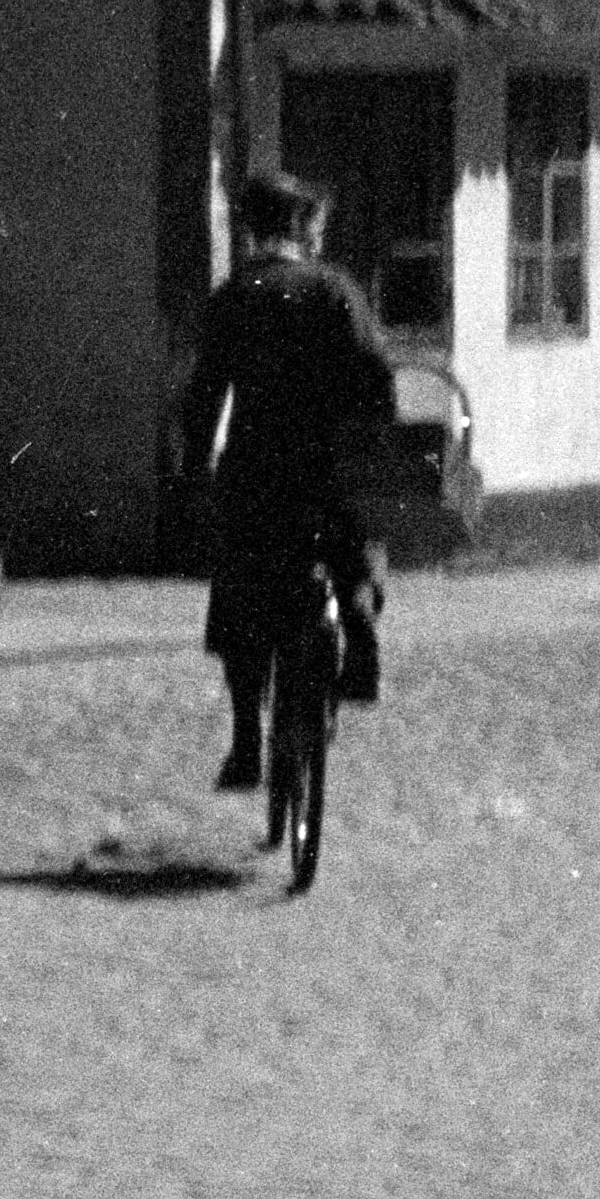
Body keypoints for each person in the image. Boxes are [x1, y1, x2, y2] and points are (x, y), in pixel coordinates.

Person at [171, 167, 398, 796]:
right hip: (329, 466)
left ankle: (248, 741)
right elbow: (377, 375)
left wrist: (195, 469)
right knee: (353, 540)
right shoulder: (336, 290)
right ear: (301, 227)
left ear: (250, 229)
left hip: (256, 469)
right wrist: (376, 439)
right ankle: (360, 622)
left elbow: (205, 395)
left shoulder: (232, 297)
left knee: (240, 597)